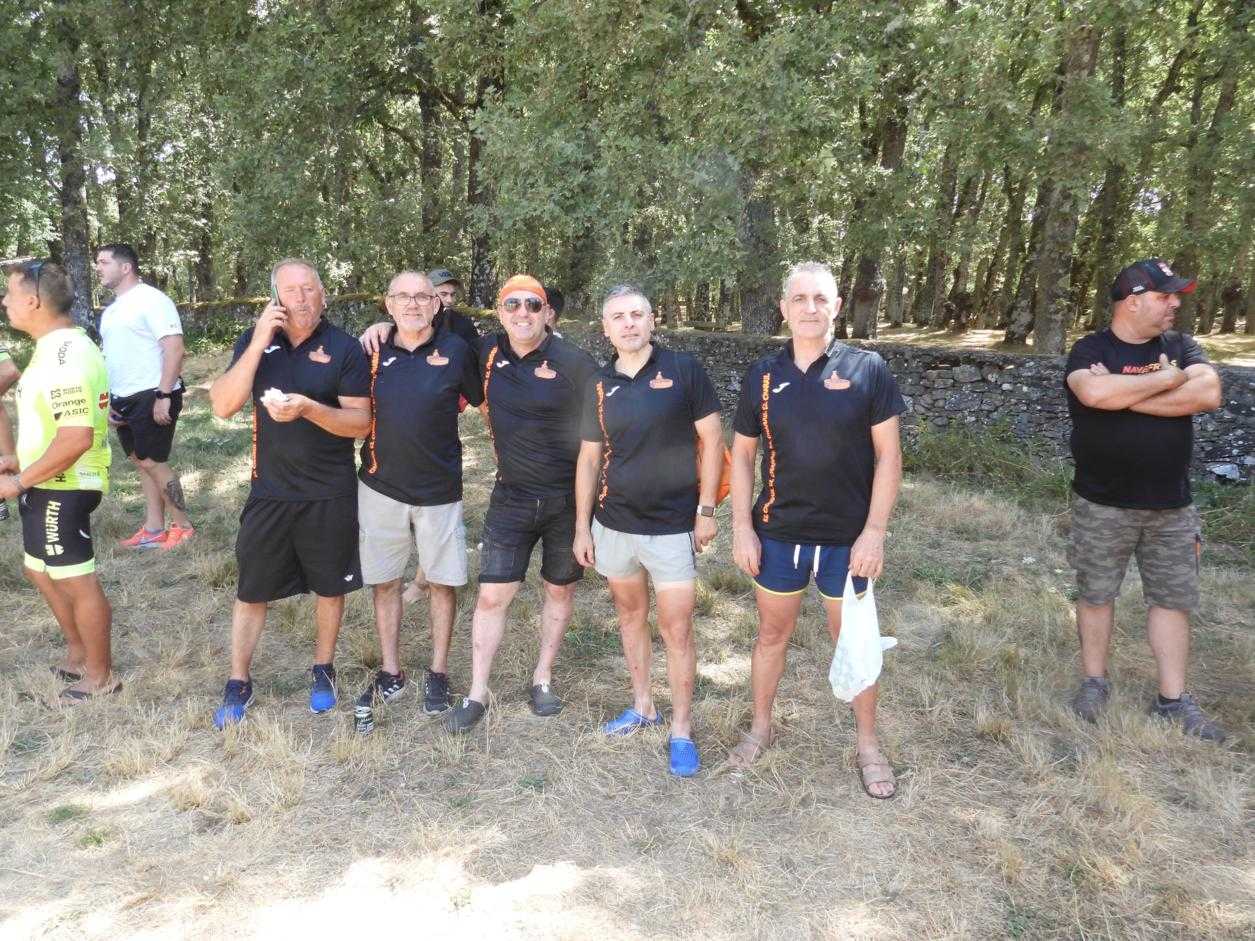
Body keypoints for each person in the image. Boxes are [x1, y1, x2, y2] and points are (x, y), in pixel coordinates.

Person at [727, 261, 905, 799]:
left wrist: (875, 532)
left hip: (847, 541)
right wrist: (741, 527)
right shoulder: (762, 374)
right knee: (771, 636)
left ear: (836, 307)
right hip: (777, 533)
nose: (810, 308)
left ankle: (868, 744)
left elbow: (889, 456)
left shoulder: (867, 368)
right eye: (800, 299)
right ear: (784, 309)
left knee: (854, 642)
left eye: (820, 299)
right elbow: (742, 456)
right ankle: (761, 728)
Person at [1064, 259, 1225, 741]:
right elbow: (1092, 392)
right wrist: (1169, 380)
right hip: (1101, 502)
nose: (1175, 303)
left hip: (1172, 506)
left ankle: (1172, 701)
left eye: (1176, 296)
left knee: (1172, 601)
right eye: (1164, 295)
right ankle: (1094, 683)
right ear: (1132, 301)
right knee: (1096, 593)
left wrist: (1125, 395)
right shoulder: (1090, 349)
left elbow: (1209, 393)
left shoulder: (1181, 346)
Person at [208, 259, 370, 729]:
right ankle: (239, 680)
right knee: (251, 589)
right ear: (276, 298)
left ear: (323, 294)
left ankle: (323, 668)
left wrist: (308, 409)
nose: (301, 298)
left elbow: (361, 423)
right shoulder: (256, 341)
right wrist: (260, 339)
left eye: (309, 289)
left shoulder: (344, 348)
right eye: (290, 290)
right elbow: (222, 405)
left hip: (329, 491)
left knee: (330, 588)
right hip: (270, 490)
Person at [572, 285, 723, 776]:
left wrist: (706, 509)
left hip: (671, 525)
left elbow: (712, 438)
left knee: (677, 628)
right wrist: (582, 526)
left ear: (652, 319)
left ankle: (681, 729)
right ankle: (643, 705)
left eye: (637, 314)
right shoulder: (598, 384)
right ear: (606, 328)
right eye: (618, 317)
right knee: (630, 616)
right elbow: (589, 457)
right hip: (614, 523)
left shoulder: (684, 369)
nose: (629, 323)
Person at [444, 275, 598, 733]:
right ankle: (477, 691)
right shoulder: (487, 353)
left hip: (566, 500)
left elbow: (597, 442)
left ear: (548, 313)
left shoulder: (575, 362)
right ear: (499, 312)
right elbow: (432, 335)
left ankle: (542, 678)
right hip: (510, 496)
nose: (522, 313)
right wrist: (382, 328)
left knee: (559, 590)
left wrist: (585, 521)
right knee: (493, 595)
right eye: (512, 305)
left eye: (533, 305)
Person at [352, 271, 483, 733]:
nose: (412, 304)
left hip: (439, 488)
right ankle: (390, 671)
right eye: (402, 297)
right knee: (385, 582)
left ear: (436, 305)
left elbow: (485, 400)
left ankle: (438, 672)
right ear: (388, 304)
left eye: (422, 297)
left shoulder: (457, 351)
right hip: (380, 486)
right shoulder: (369, 350)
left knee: (443, 583)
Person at [0, 260, 118, 699]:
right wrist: (16, 459)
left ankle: (101, 676)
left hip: (65, 485)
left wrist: (19, 482)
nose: (5, 302)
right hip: (43, 479)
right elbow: (52, 426)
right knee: (39, 571)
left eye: (10, 294)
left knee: (74, 579)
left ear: (33, 301)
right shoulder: (51, 348)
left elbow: (75, 438)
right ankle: (78, 654)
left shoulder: (66, 356)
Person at [95, 243, 195, 549]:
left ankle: (184, 527)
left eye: (104, 262)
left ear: (125, 267)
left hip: (152, 394)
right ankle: (153, 530)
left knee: (153, 461)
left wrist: (164, 394)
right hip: (123, 399)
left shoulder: (152, 300)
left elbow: (174, 348)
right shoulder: (112, 310)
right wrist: (110, 401)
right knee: (141, 461)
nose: (98, 268)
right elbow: (114, 357)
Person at [428, 268, 480, 348]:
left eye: (452, 295)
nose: (450, 300)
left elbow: (477, 351)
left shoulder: (464, 324)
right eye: (443, 294)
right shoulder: (416, 322)